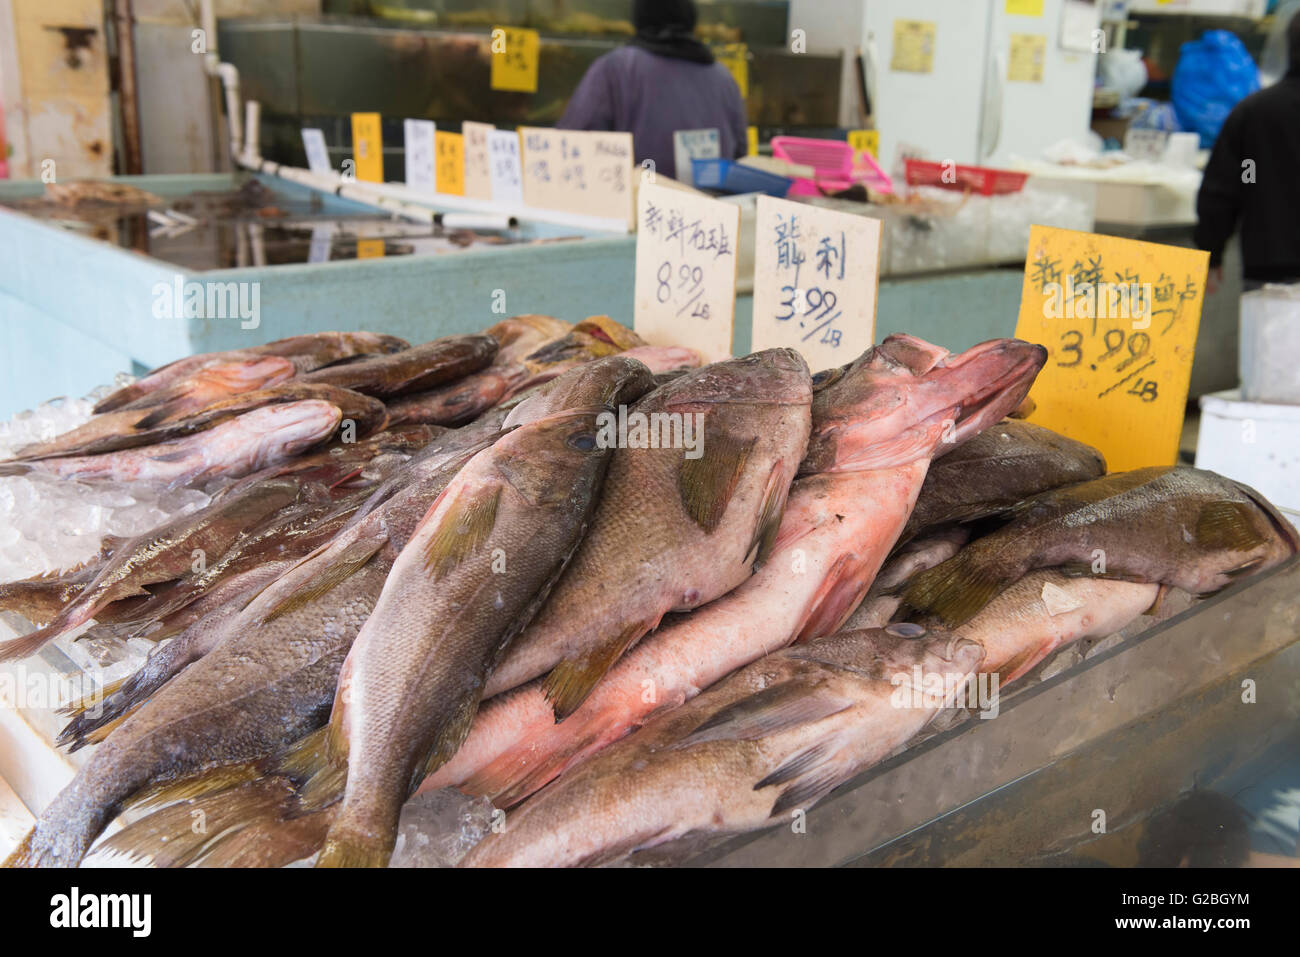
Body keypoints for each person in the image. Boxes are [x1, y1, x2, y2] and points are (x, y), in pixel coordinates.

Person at [556, 0, 748, 181]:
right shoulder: (724, 78)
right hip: (712, 210)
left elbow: (572, 146)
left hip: (637, 211)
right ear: (691, 19)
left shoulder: (616, 69)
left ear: (639, 18)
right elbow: (740, 155)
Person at [1194, 11, 1300, 293]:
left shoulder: (1254, 113)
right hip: (1272, 271)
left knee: (1270, 339)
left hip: (1271, 269)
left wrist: (1210, 252)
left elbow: (1226, 188)